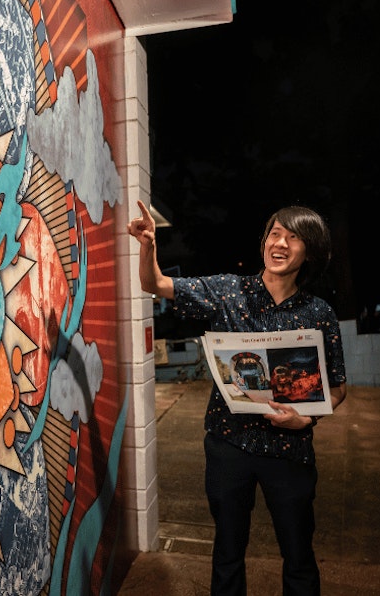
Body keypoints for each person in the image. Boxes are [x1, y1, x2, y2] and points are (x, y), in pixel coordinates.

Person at [128, 199, 347, 596]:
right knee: (228, 551)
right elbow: (156, 284)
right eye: (274, 233)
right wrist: (148, 247)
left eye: (293, 238)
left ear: (310, 250)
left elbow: (338, 385)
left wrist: (307, 420)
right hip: (229, 444)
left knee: (298, 554)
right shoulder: (229, 291)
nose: (279, 243)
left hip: (290, 449)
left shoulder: (319, 312)